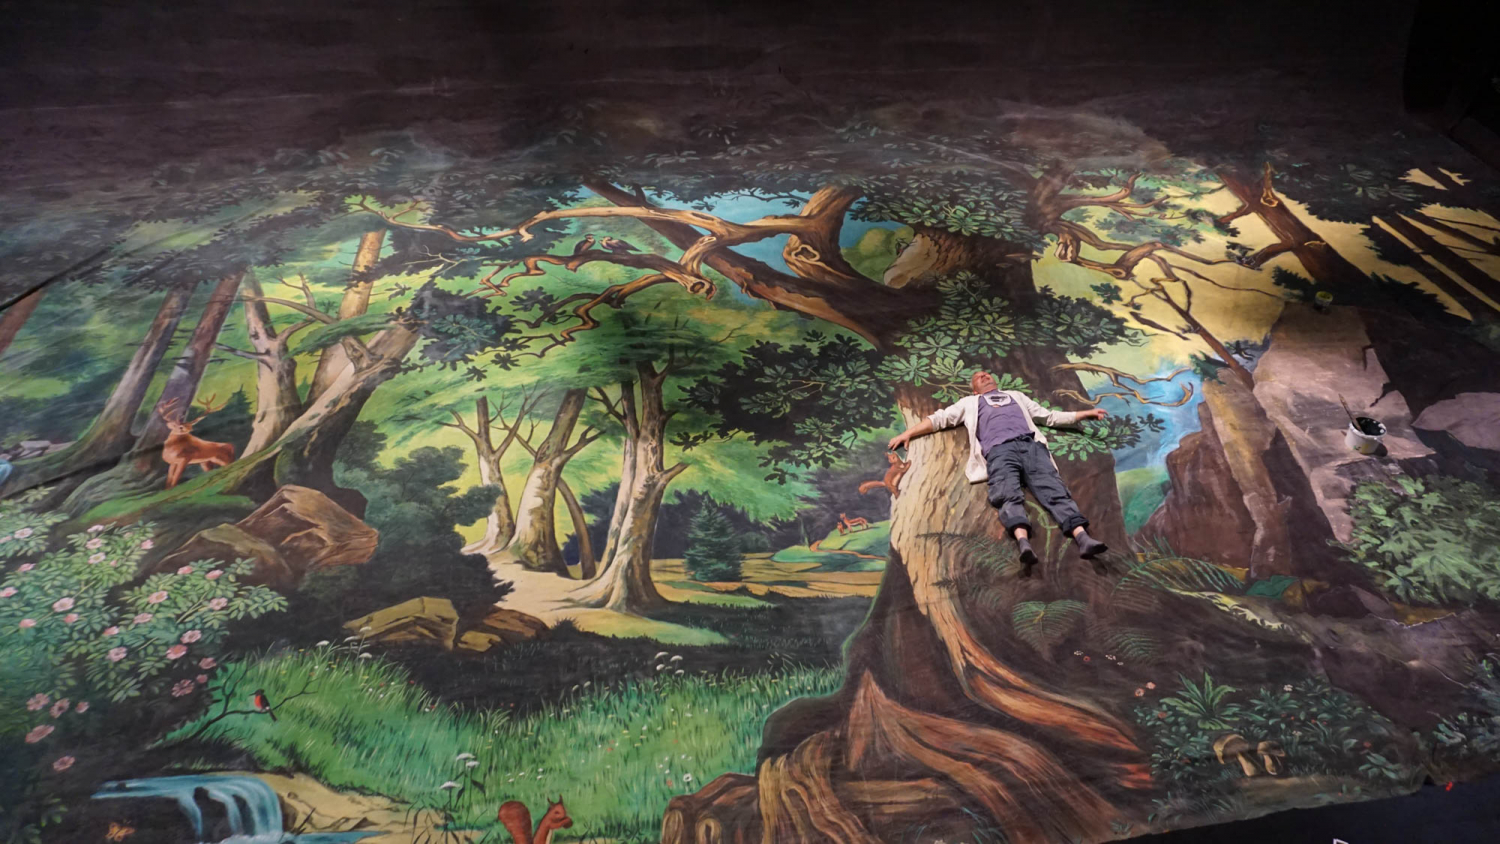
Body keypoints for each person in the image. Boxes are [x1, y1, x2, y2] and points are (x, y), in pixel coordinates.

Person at [888, 371, 1110, 575]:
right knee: (1006, 494)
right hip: (999, 452)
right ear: (974, 390)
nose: (984, 376)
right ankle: (1023, 543)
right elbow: (938, 419)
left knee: (1055, 491)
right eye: (978, 377)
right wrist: (908, 434)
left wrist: (1084, 414)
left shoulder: (1016, 396)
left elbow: (1049, 416)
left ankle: (1083, 537)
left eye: (986, 374)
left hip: (1031, 448)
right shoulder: (969, 403)